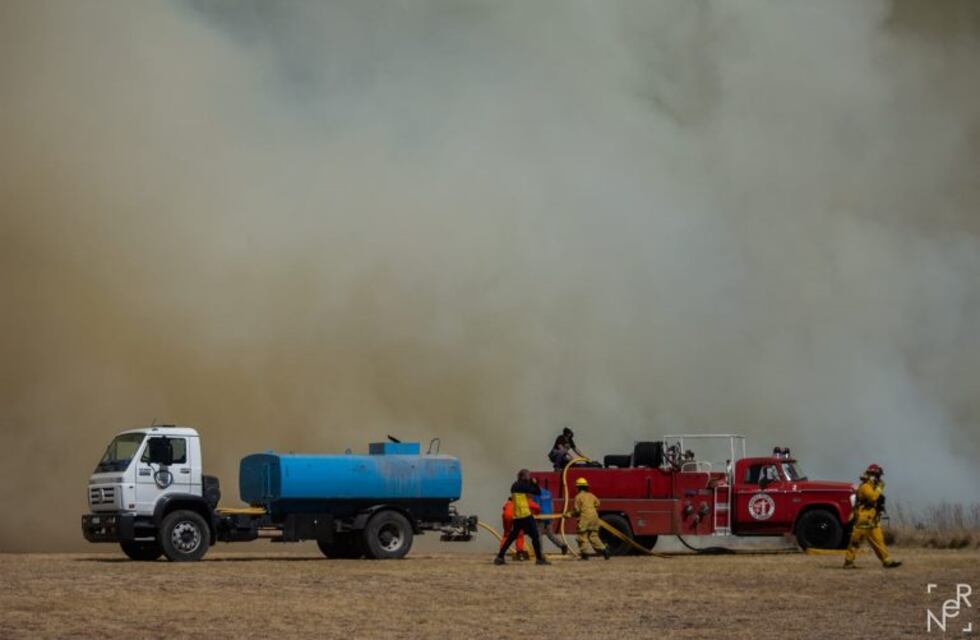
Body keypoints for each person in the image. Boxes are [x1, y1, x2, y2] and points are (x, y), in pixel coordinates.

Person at [843, 464, 901, 569]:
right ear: (872, 475)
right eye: (878, 476)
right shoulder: (865, 486)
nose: (879, 478)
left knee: (879, 540)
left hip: (873, 519)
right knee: (856, 541)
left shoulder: (871, 486)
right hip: (864, 518)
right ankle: (848, 562)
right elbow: (872, 498)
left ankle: (887, 561)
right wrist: (880, 487)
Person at [495, 470, 550, 565]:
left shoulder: (515, 485)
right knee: (535, 537)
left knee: (511, 537)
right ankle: (539, 559)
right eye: (528, 476)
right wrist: (534, 483)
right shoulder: (523, 486)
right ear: (524, 477)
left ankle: (500, 556)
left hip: (517, 516)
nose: (529, 477)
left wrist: (530, 483)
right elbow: (537, 492)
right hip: (525, 515)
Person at [569, 477, 609, 560]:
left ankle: (584, 555)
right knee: (593, 536)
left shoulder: (578, 497)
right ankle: (604, 550)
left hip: (585, 518)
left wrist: (568, 514)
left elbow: (577, 510)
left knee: (582, 536)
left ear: (578, 487)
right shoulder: (591, 495)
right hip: (594, 517)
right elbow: (597, 503)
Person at [536, 487, 570, 555]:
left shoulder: (536, 494)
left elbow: (537, 506)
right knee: (550, 534)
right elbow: (552, 504)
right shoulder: (548, 493)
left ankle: (540, 552)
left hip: (541, 516)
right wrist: (552, 515)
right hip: (549, 515)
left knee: (538, 535)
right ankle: (562, 546)